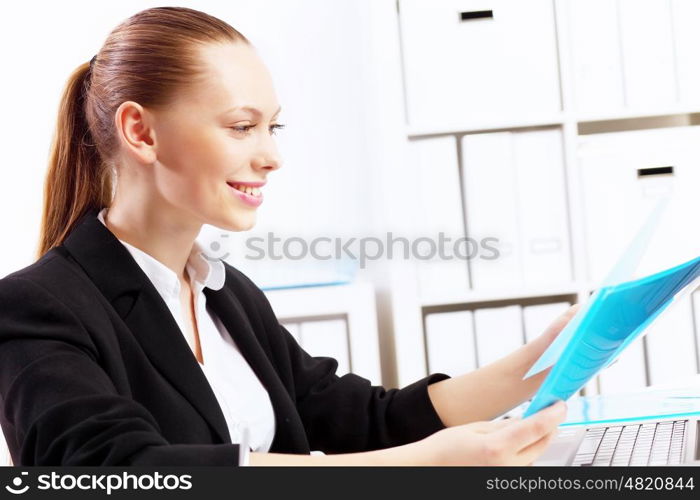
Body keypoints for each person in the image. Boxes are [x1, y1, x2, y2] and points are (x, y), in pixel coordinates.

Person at [0, 6, 571, 466]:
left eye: (272, 127)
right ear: (140, 131)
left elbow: (363, 420)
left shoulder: (228, 295)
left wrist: (548, 359)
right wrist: (416, 468)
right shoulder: (35, 307)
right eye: (243, 127)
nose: (271, 157)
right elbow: (120, 468)